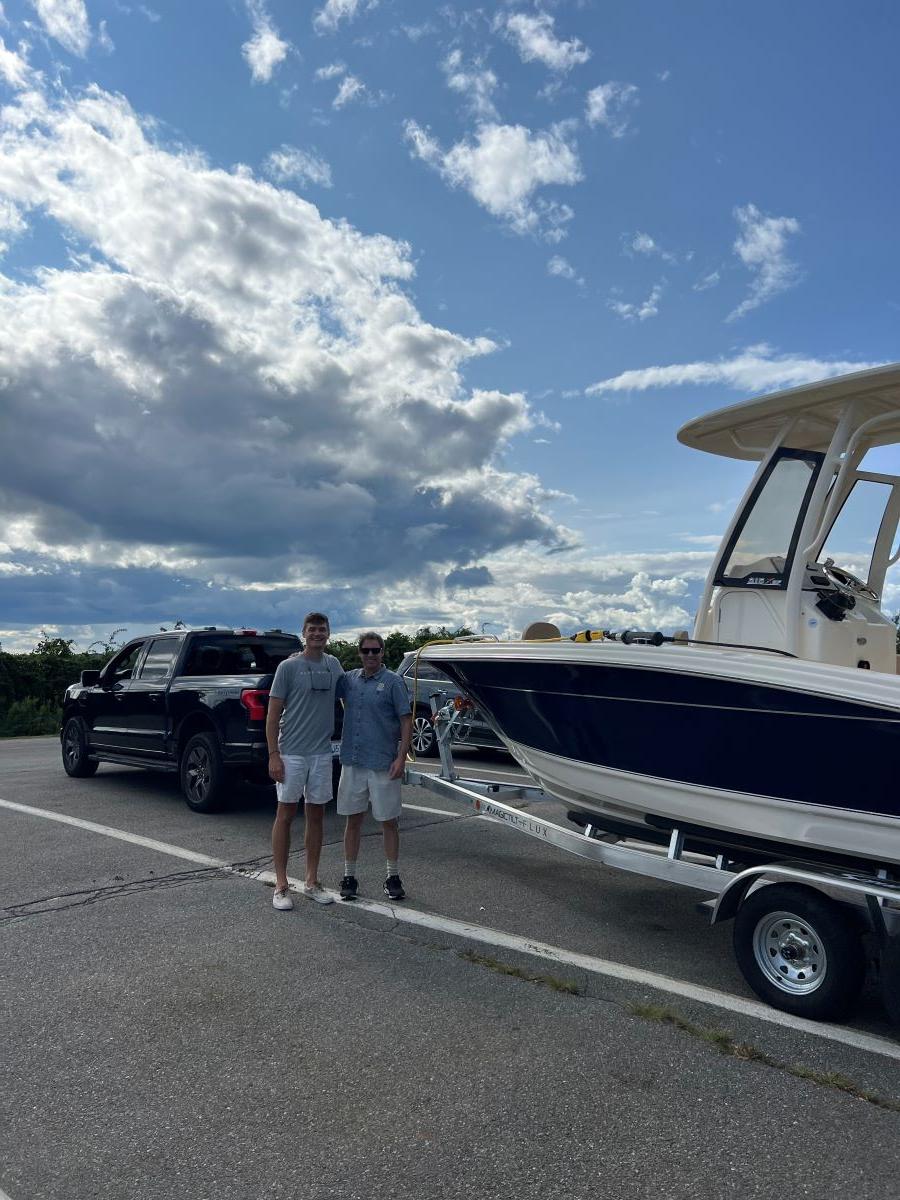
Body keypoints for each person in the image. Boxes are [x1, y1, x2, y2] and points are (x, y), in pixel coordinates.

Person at [267, 612, 344, 910]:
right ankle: (281, 884)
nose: (317, 634)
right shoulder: (288, 667)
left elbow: (351, 696)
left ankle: (311, 881)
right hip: (291, 753)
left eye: (322, 629)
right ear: (303, 632)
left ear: (328, 633)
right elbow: (273, 715)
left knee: (316, 815)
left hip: (321, 753)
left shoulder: (333, 664)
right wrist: (274, 754)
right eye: (312, 629)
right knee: (285, 814)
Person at [335, 632, 412, 901]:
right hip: (353, 761)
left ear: (382, 652)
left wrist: (401, 757)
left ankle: (392, 876)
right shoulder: (349, 680)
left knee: (388, 822)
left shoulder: (393, 682)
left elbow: (406, 720)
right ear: (359, 653)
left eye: (375, 651)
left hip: (383, 763)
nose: (371, 655)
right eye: (366, 651)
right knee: (353, 820)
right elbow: (322, 682)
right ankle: (349, 875)